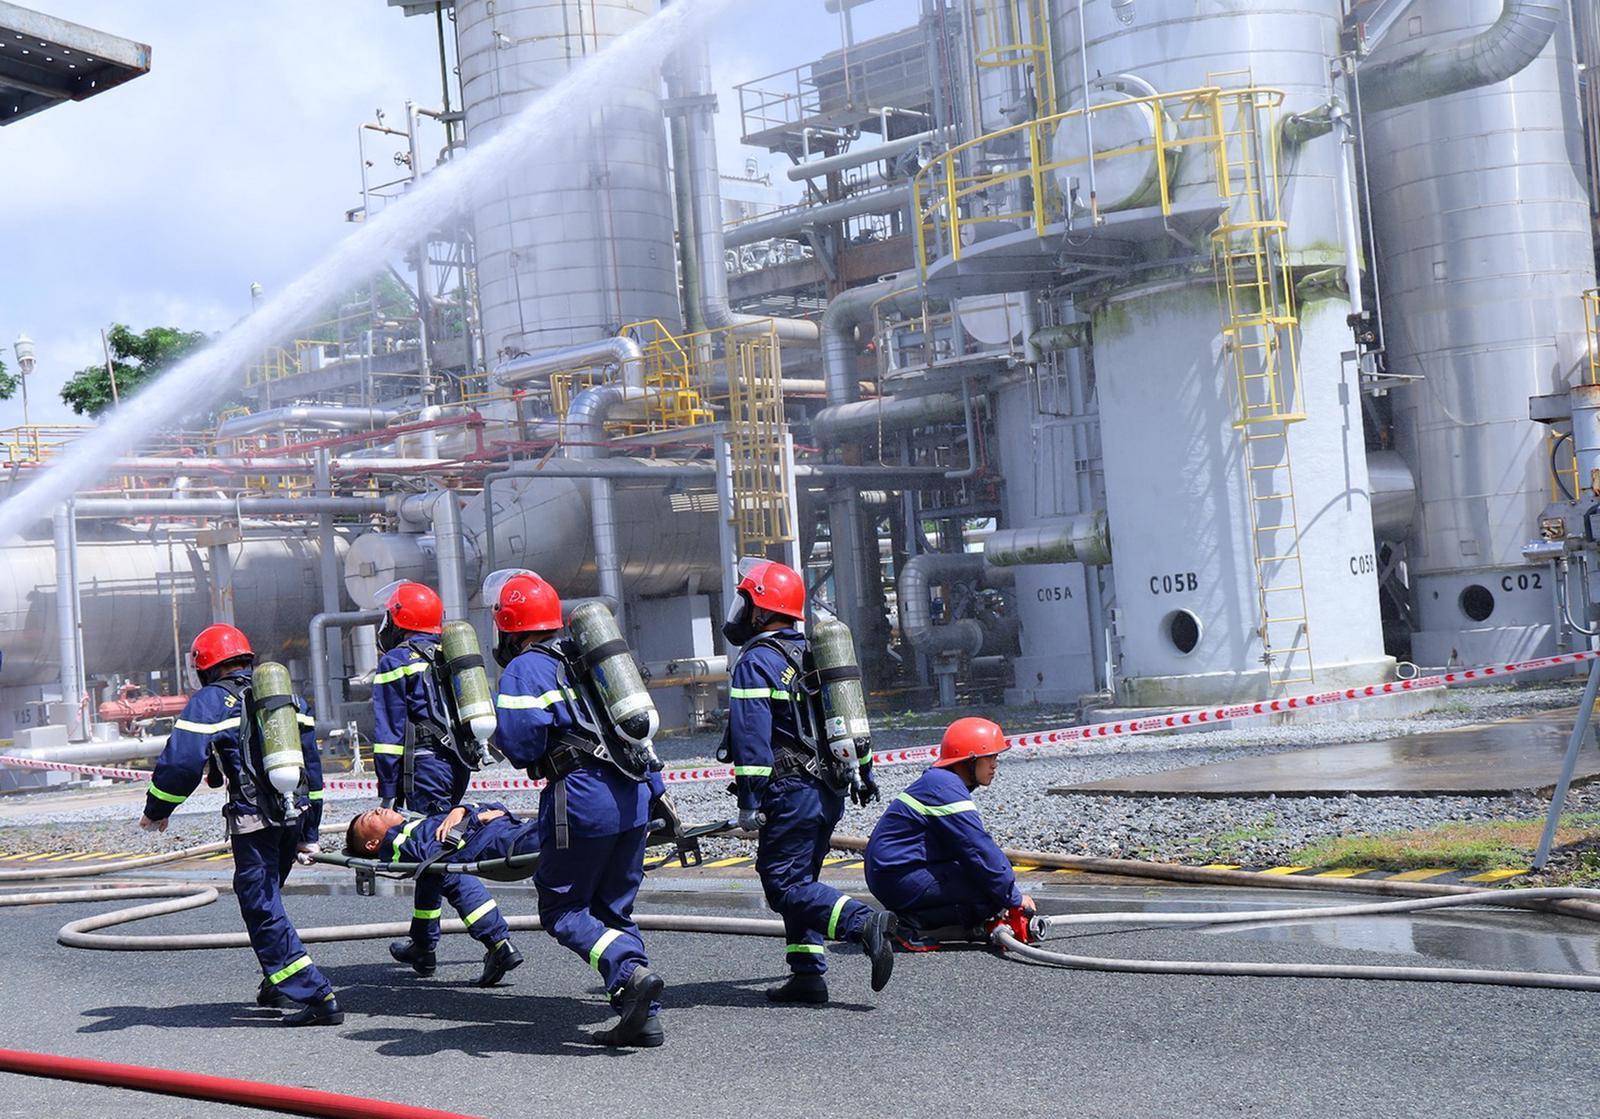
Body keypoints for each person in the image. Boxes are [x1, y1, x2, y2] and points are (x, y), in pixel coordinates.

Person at [489, 570, 666, 1048]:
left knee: (562, 906)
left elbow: (521, 745)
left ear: (508, 626)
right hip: (635, 793)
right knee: (613, 908)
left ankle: (628, 974)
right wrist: (659, 791)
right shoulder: (587, 657)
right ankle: (642, 1015)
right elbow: (636, 735)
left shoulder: (524, 669)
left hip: (583, 797)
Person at [137, 623, 342, 1026]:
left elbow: (182, 762)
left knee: (260, 904)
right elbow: (312, 767)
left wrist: (158, 808)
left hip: (254, 820)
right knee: (269, 899)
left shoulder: (211, 701)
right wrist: (310, 832)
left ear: (205, 667)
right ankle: (277, 981)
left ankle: (315, 994)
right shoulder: (287, 698)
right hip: (294, 814)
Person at [721, 559, 896, 1005]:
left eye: (747, 601)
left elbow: (750, 740)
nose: (742, 611)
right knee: (803, 878)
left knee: (783, 883)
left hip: (790, 791)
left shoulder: (757, 662)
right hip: (828, 788)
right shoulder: (813, 654)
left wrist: (749, 800)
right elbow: (845, 715)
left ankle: (863, 924)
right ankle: (807, 973)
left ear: (762, 610)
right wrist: (865, 770)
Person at [371, 580, 522, 987]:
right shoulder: (449, 653)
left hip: (424, 767)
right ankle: (423, 943)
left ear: (398, 620)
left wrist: (387, 791)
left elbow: (388, 734)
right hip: (456, 763)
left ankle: (497, 940)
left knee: (439, 852)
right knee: (432, 849)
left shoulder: (396, 661)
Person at [863, 717, 1034, 945]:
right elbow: (978, 848)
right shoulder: (945, 788)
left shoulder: (940, 782)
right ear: (970, 759)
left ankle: (927, 922)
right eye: (990, 757)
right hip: (899, 877)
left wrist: (1006, 888)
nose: (995, 764)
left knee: (992, 881)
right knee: (990, 893)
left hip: (895, 874)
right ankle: (910, 926)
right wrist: (1014, 898)